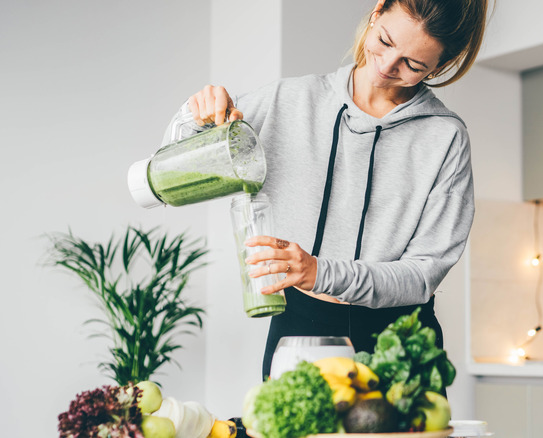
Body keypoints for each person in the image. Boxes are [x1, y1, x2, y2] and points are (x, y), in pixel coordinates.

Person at [167, 0, 489, 379]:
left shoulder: (444, 137)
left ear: (440, 66)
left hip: (400, 343)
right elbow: (174, 171)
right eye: (385, 41)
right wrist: (196, 116)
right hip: (300, 331)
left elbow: (422, 276)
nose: (386, 67)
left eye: (413, 65)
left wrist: (319, 272)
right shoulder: (288, 100)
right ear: (376, 11)